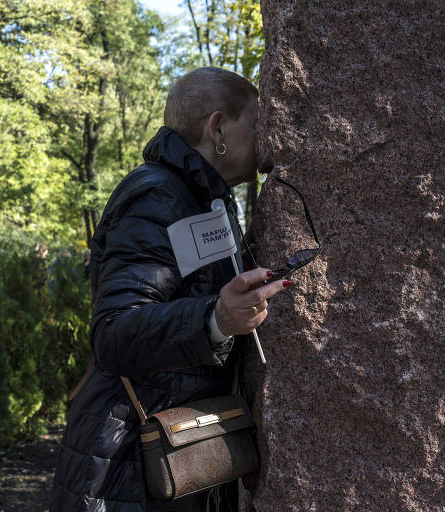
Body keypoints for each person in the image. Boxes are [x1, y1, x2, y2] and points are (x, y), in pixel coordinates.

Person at [50, 67, 292, 512]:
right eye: (257, 123)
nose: (267, 139)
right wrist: (214, 319)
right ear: (217, 127)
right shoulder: (155, 197)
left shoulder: (205, 200)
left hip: (171, 456)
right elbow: (114, 333)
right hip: (123, 469)